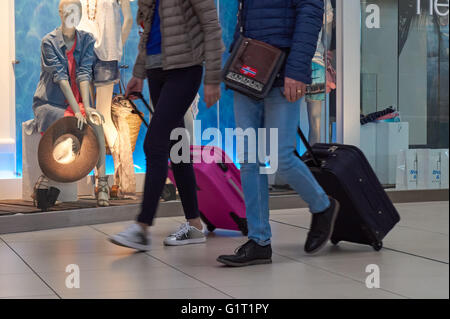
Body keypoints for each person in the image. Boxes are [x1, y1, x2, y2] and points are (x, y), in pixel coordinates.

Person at [217, 0, 340, 267]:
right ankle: (259, 241)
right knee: (250, 159)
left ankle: (323, 205)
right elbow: (244, 18)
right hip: (249, 70)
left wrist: (296, 72)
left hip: (284, 72)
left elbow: (310, 15)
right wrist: (237, 55)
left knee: (281, 155)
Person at [109, 0, 224, 251]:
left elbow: (212, 28)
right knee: (177, 148)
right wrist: (139, 74)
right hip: (156, 71)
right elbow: (147, 31)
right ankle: (194, 225)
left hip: (185, 70)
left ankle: (142, 228)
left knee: (154, 145)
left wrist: (213, 77)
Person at [31, 0, 110, 207]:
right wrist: (76, 111)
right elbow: (61, 78)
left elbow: (84, 73)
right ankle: (47, 178)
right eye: (68, 11)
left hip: (77, 101)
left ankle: (102, 184)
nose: (72, 15)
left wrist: (87, 106)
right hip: (52, 103)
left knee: (96, 121)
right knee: (72, 124)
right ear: (60, 13)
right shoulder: (48, 42)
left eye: (77, 11)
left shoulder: (86, 39)